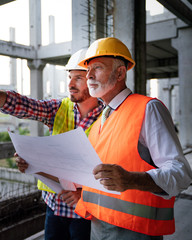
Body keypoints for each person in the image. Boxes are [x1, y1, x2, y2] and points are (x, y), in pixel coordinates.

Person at [0, 49, 104, 240]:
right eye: (70, 77)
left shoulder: (108, 117)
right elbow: (22, 105)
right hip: (54, 207)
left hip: (88, 211)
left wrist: (85, 193)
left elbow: (113, 165)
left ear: (93, 80)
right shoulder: (59, 108)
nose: (70, 84)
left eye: (78, 78)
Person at [73, 37, 192, 240]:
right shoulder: (100, 122)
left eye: (97, 68)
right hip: (97, 226)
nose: (89, 76)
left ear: (120, 73)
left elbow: (181, 174)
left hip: (134, 232)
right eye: (88, 70)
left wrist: (132, 180)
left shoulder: (147, 109)